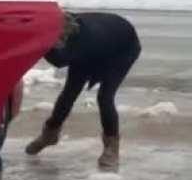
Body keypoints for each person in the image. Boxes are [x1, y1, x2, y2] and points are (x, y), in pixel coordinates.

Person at [25, 11, 141, 171]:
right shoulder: (65, 29)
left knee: (105, 97)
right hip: (96, 45)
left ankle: (112, 148)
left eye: (58, 39)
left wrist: (43, 43)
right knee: (69, 93)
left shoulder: (82, 37)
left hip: (123, 49)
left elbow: (59, 61)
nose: (58, 42)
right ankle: (49, 135)